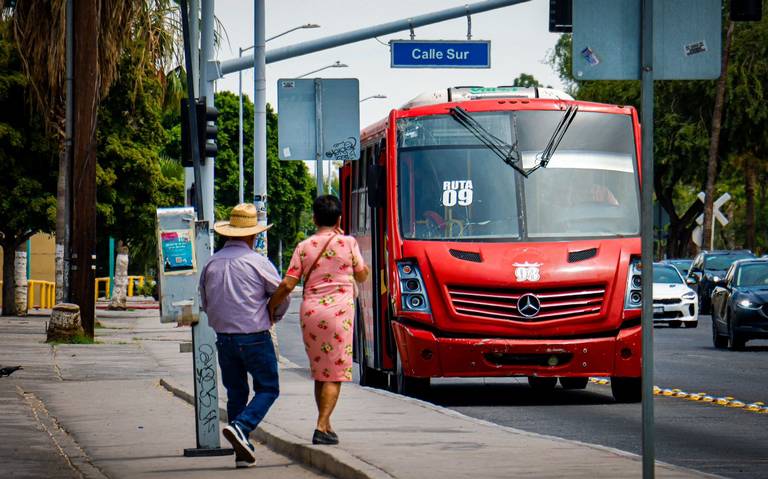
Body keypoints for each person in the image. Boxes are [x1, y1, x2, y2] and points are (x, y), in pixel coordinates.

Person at [268, 195, 369, 445]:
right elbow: (363, 275)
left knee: (321, 371)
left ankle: (326, 423)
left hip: (311, 314)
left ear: (313, 219)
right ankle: (321, 426)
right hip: (339, 315)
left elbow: (288, 283)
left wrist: (270, 306)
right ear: (339, 219)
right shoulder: (348, 242)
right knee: (334, 373)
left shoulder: (304, 246)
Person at [199, 203, 290, 468]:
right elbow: (280, 294)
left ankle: (242, 451)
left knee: (236, 392)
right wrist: (275, 313)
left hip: (224, 339)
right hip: (255, 336)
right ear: (253, 235)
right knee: (268, 388)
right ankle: (241, 426)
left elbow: (204, 302)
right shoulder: (258, 262)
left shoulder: (211, 264)